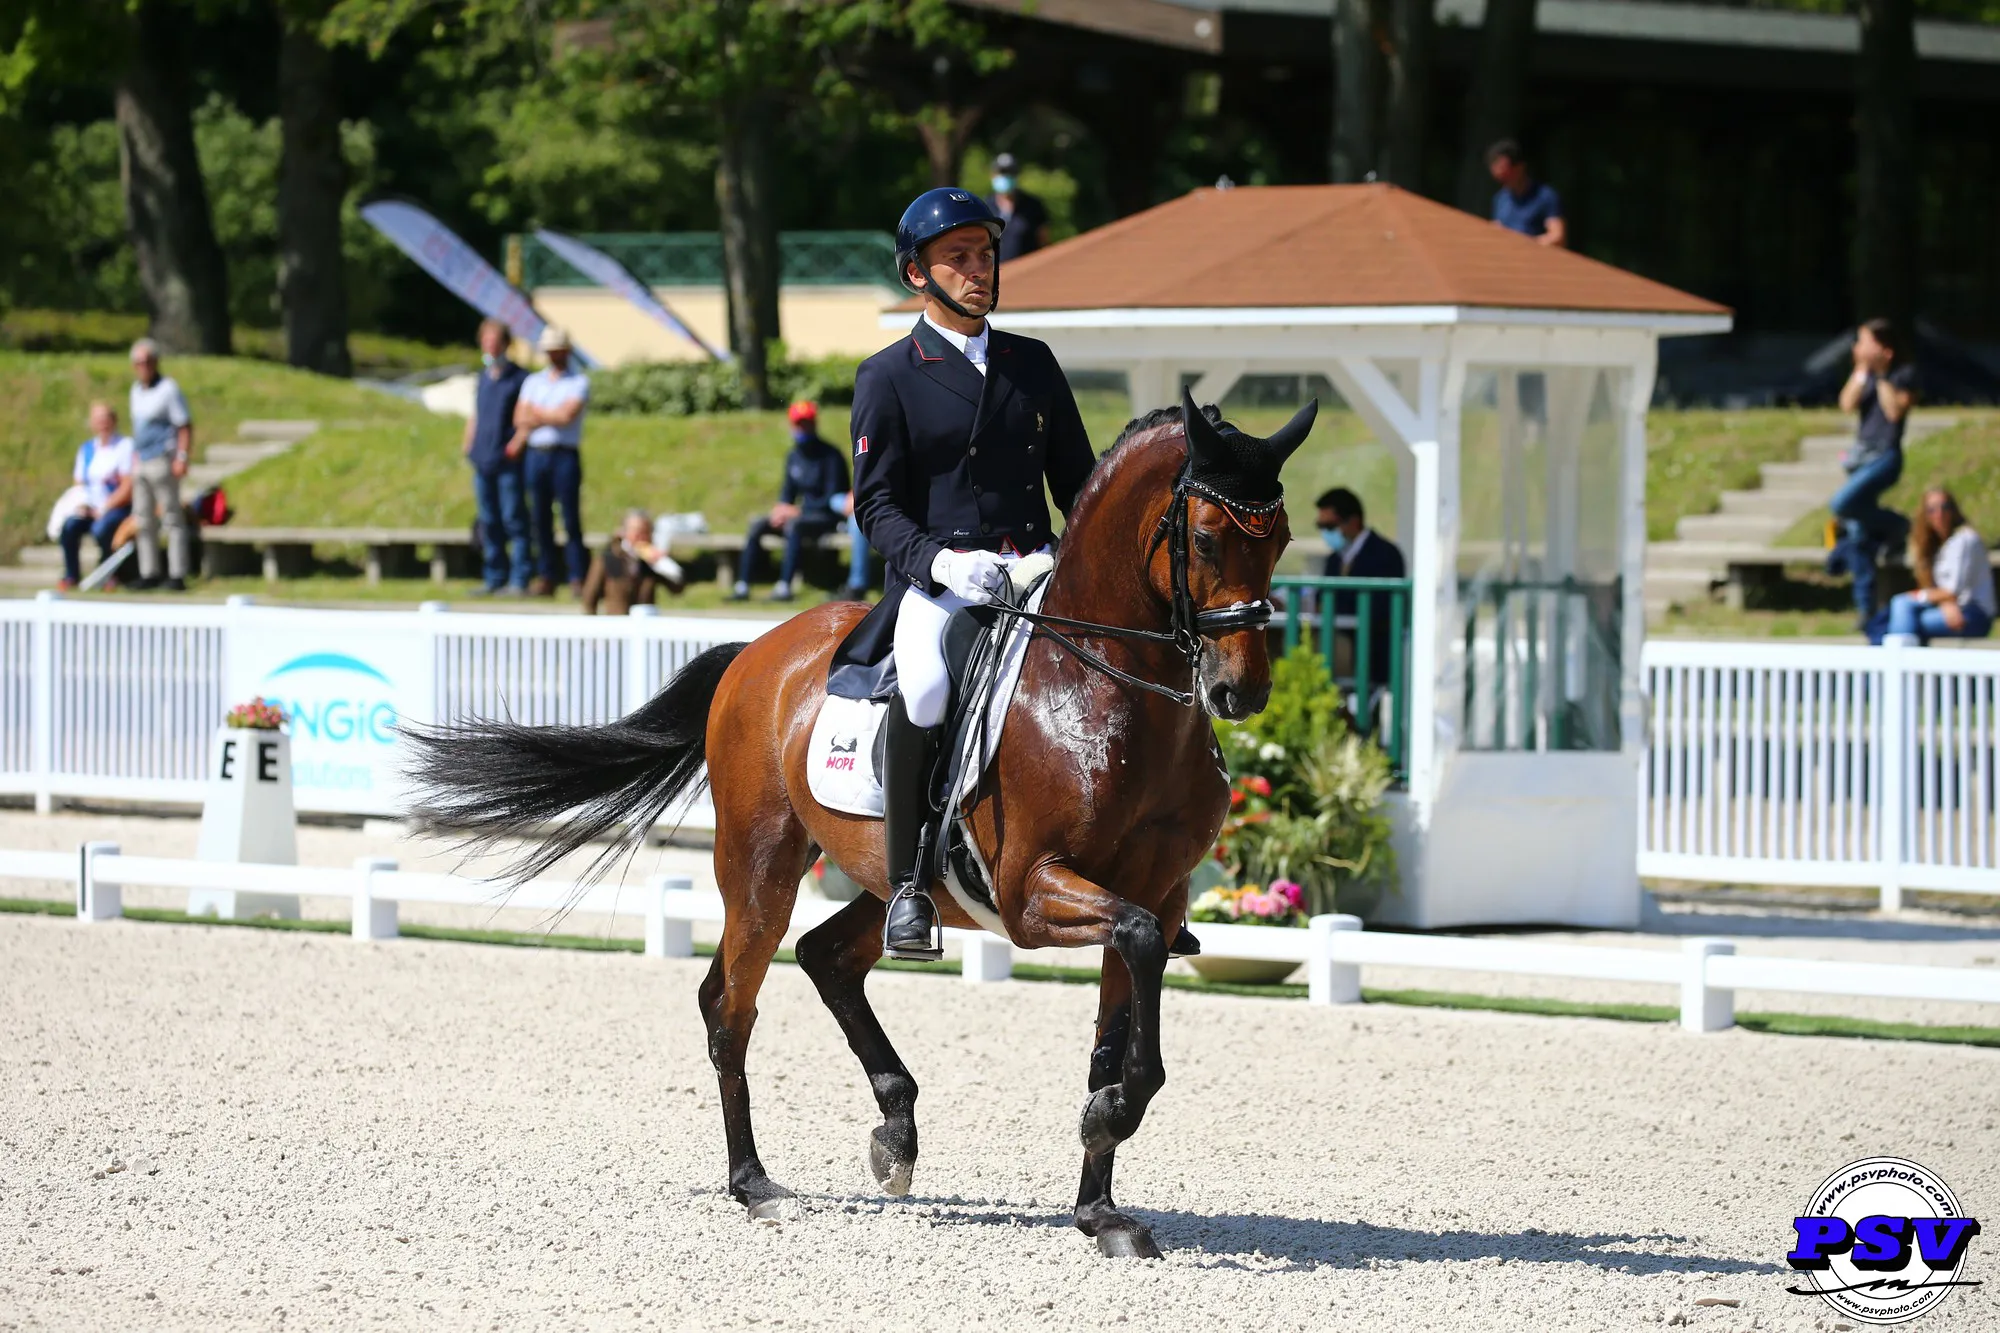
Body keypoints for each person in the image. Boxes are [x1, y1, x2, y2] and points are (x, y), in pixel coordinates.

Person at [850, 186, 1095, 959]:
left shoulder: (1033, 363)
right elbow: (876, 505)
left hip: (1036, 571)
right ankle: (910, 886)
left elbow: (1079, 482)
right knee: (923, 686)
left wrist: (1070, 551)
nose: (977, 269)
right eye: (957, 258)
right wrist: (943, 561)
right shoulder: (890, 374)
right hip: (942, 581)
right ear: (916, 274)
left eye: (984, 254)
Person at [1829, 318, 1917, 624]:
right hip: (1860, 458)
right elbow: (1845, 404)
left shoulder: (1903, 375)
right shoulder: (1862, 375)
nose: (1857, 347)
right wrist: (1860, 372)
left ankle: (1898, 525)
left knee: (1841, 505)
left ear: (1885, 349)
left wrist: (1880, 376)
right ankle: (1866, 608)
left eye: (1864, 341)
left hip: (1885, 457)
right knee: (1858, 537)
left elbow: (1894, 411)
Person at [730, 401, 850, 602]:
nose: (802, 428)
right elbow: (787, 493)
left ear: (814, 424)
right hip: (801, 515)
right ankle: (742, 585)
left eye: (806, 423)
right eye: (798, 424)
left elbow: (834, 498)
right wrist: (780, 509)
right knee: (758, 524)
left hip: (826, 517)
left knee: (794, 525)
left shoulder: (831, 456)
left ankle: (784, 587)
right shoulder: (794, 456)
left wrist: (799, 511)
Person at [515, 326, 591, 597]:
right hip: (537, 454)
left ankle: (577, 576)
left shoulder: (578, 382)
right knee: (540, 518)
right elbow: (520, 418)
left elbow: (566, 417)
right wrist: (548, 415)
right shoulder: (534, 382)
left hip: (563, 454)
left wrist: (536, 414)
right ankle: (546, 575)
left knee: (570, 518)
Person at [1867, 488, 1994, 647]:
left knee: (1901, 607)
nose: (1939, 514)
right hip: (1951, 608)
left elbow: (1952, 591)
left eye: (1945, 507)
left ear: (1953, 510)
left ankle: (1901, 667)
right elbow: (1945, 593)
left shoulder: (1965, 540)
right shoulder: (1938, 545)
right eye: (1932, 510)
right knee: (1897, 616)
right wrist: (1945, 603)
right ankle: (1902, 665)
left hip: (1972, 614)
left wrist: (1923, 597)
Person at [463, 319, 531, 596]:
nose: (490, 346)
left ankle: (519, 577)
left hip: (507, 461)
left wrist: (517, 443)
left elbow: (526, 418)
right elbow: (476, 415)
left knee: (513, 518)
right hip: (483, 458)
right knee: (488, 520)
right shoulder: (482, 377)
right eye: (486, 341)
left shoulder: (520, 378)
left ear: (505, 344)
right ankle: (494, 576)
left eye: (495, 341)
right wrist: (468, 443)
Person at [1316, 487, 1407, 690]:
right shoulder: (1334, 559)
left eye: (1329, 526)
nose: (1325, 532)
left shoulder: (1386, 555)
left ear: (1353, 522)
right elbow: (1320, 601)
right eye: (1320, 526)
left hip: (1372, 652)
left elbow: (1379, 608)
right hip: (1338, 643)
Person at [127, 338, 194, 591]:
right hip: (141, 461)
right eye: (139, 363)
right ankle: (149, 571)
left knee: (171, 517)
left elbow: (184, 425)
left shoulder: (168, 389)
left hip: (163, 459)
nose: (143, 366)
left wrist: (182, 457)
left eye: (147, 361)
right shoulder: (136, 391)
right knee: (143, 519)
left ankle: (177, 573)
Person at [57, 403, 137, 591]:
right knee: (69, 527)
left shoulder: (124, 447)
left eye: (106, 419)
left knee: (102, 528)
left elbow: (127, 486)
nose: (103, 424)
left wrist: (105, 507)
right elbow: (79, 483)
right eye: (98, 420)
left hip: (116, 506)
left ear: (114, 421)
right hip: (91, 507)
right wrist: (84, 505)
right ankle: (71, 575)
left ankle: (109, 574)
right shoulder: (86, 450)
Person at [581, 508, 686, 616]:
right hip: (618, 624)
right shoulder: (608, 558)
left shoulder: (651, 562)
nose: (641, 538)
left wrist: (664, 564)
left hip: (646, 623)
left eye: (646, 533)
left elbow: (677, 589)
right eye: (637, 532)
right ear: (624, 532)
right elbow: (590, 596)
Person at [1486, 140, 1566, 248]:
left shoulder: (1545, 196)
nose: (1502, 178)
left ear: (1520, 167)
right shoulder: (1500, 199)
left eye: (1506, 173)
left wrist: (1526, 244)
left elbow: (1557, 237)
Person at [988, 152, 1051, 262]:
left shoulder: (1033, 206)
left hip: (1027, 272)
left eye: (1010, 173)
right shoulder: (985, 207)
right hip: (994, 275)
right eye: (1002, 173)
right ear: (993, 175)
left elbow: (1044, 242)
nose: (1005, 177)